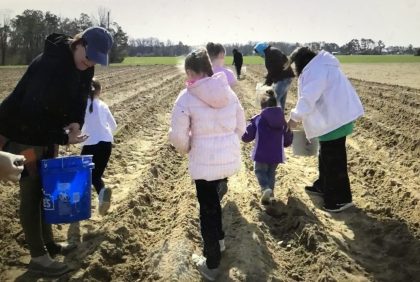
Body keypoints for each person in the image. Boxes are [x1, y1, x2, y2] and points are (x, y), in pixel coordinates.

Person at [0, 26, 113, 276]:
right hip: (21, 135)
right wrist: (63, 137)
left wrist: (75, 123)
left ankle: (48, 244)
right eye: (89, 54)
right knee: (30, 191)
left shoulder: (85, 66)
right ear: (78, 43)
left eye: (95, 59)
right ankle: (38, 257)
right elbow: (31, 114)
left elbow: (80, 97)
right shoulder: (49, 65)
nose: (90, 61)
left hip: (46, 135)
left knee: (45, 187)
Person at [169, 49, 245, 281]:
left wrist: (187, 148)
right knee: (214, 204)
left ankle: (211, 264)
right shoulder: (228, 92)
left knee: (208, 211)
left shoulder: (186, 96)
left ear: (191, 72)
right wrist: (229, 144)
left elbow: (179, 137)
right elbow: (241, 124)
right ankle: (220, 243)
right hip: (226, 160)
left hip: (204, 163)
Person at [287, 47, 364, 213]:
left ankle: (340, 200)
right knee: (326, 155)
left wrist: (294, 118)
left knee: (334, 161)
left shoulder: (316, 70)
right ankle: (323, 186)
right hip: (334, 118)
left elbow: (308, 97)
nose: (295, 70)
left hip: (335, 121)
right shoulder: (319, 66)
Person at [242, 90, 293, 205]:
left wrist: (243, 134)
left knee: (259, 171)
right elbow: (287, 137)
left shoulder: (258, 118)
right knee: (271, 173)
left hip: (261, 153)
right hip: (276, 154)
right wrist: (287, 142)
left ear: (262, 106)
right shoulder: (282, 120)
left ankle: (265, 189)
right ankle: (270, 196)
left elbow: (247, 136)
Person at [81, 78, 117, 216]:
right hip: (106, 144)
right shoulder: (103, 105)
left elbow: (80, 126)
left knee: (86, 174)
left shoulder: (82, 105)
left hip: (90, 144)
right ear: (99, 91)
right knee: (96, 175)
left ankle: (82, 202)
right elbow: (113, 126)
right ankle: (102, 195)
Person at [254, 42, 295, 110]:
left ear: (261, 50)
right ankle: (280, 118)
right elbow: (273, 68)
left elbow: (274, 69)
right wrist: (268, 80)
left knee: (273, 101)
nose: (259, 55)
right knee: (281, 101)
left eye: (258, 52)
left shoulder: (270, 53)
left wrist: (268, 81)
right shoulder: (272, 51)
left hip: (283, 78)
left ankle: (272, 118)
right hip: (285, 77)